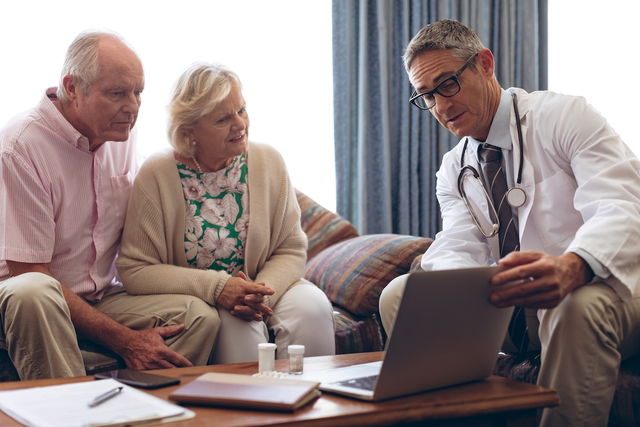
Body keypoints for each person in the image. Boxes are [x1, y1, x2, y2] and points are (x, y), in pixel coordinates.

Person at [378, 19, 640, 426]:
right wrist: (449, 295)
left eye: (448, 84)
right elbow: (459, 244)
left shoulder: (565, 116)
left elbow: (622, 205)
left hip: (606, 287)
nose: (441, 107)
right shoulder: (454, 167)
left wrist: (573, 266)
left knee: (575, 305)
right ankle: (460, 417)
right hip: (522, 308)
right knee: (400, 294)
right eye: (426, 96)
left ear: (485, 64)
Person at [0, 31, 219, 380]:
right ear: (72, 88)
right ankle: (69, 413)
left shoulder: (120, 134)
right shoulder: (21, 144)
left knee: (197, 316)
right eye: (117, 93)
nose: (132, 106)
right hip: (31, 302)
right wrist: (126, 341)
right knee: (34, 292)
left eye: (138, 92)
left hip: (100, 296)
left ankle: (140, 415)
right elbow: (29, 271)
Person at [116, 62, 335, 363]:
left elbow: (291, 248)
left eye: (241, 110)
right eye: (223, 119)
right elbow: (135, 270)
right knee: (238, 328)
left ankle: (317, 407)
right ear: (189, 129)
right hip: (205, 298)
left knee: (313, 309)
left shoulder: (269, 161)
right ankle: (253, 409)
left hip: (266, 287)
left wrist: (260, 295)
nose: (240, 124)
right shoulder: (157, 173)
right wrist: (219, 288)